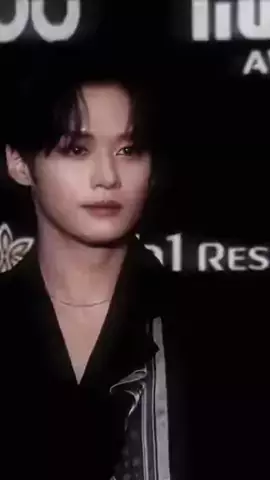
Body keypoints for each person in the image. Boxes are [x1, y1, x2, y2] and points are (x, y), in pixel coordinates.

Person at [0, 44, 176, 480]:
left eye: (128, 151)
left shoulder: (213, 326)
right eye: (76, 150)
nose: (107, 177)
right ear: (19, 163)